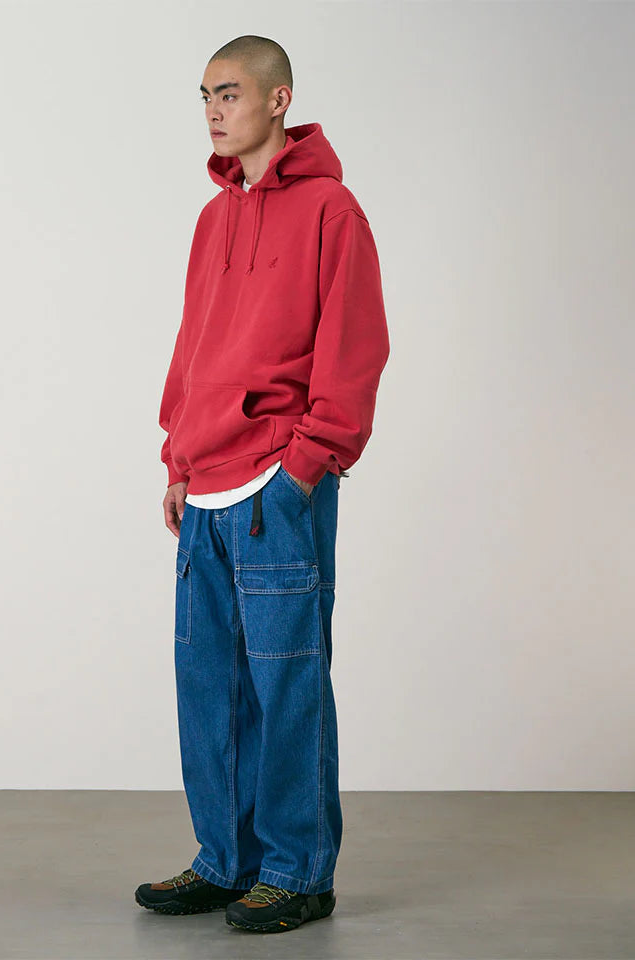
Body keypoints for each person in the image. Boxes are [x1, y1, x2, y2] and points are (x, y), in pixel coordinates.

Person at [135, 35, 390, 935]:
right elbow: (193, 344)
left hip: (277, 487)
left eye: (231, 92)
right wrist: (176, 457)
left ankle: (297, 872)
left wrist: (306, 465)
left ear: (279, 99)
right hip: (204, 485)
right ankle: (227, 859)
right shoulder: (214, 218)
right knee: (210, 687)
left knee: (286, 688)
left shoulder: (331, 211)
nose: (214, 110)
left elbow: (355, 347)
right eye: (205, 94)